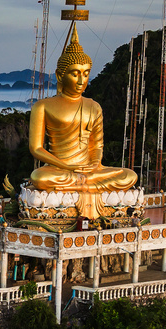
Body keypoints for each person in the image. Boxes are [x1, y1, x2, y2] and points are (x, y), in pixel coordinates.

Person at [27, 23, 137, 218]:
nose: (81, 80)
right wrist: (66, 166)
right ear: (60, 75)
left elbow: (97, 146)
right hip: (60, 169)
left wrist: (94, 164)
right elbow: (36, 149)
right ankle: (84, 184)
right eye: (75, 73)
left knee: (129, 176)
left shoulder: (93, 106)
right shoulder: (43, 106)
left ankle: (82, 183)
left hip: (89, 171)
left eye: (85, 74)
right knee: (39, 178)